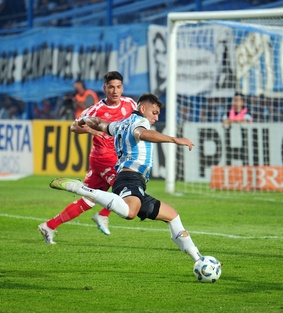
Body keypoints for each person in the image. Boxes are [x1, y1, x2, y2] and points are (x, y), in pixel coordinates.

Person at [49, 93, 206, 264]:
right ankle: (82, 189)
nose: (156, 117)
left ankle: (198, 259)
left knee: (172, 216)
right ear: (143, 108)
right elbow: (142, 134)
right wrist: (175, 140)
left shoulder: (120, 124)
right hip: (130, 178)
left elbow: (100, 123)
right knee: (130, 213)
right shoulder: (140, 123)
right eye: (154, 112)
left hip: (131, 180)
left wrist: (85, 120)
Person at [38, 71, 138, 244]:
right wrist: (93, 130)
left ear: (122, 88)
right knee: (125, 191)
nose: (115, 91)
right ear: (104, 88)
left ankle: (49, 226)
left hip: (117, 156)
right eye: (111, 87)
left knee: (88, 199)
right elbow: (73, 127)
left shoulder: (129, 103)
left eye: (118, 87)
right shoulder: (96, 109)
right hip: (104, 157)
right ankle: (102, 214)